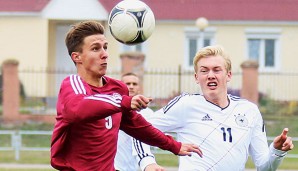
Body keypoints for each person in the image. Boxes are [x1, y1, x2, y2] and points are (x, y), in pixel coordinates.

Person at [50, 20, 202, 171]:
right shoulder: (71, 84)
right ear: (77, 57)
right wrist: (123, 101)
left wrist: (173, 145)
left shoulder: (117, 88)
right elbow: (79, 108)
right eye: (96, 49)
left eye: (105, 47)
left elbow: (138, 126)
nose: (104, 54)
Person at [140, 45, 294, 170]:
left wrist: (277, 151)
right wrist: (148, 163)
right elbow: (140, 129)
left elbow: (264, 167)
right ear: (196, 77)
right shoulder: (185, 104)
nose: (210, 75)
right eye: (204, 70)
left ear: (228, 75)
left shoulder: (249, 111)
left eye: (217, 69)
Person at [115, 72, 163, 171]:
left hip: (134, 166)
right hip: (113, 165)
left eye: (134, 84)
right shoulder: (113, 109)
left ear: (139, 88)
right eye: (127, 84)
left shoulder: (148, 114)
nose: (131, 86)